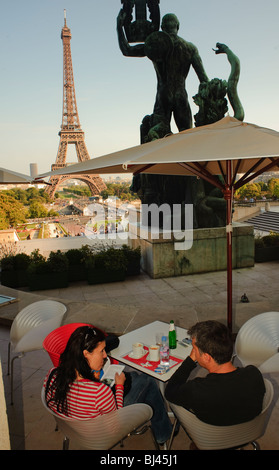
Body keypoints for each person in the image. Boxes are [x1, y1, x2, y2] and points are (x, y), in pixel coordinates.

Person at [44, 325, 172, 445]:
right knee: (147, 381)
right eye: (101, 351)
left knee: (135, 378)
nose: (105, 355)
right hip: (101, 435)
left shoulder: (52, 374)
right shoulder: (99, 391)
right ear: (85, 354)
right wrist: (119, 387)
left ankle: (162, 428)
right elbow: (116, 426)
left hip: (73, 430)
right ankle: (164, 434)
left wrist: (91, 379)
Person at [117, 11, 209, 134]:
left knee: (158, 138)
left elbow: (126, 50)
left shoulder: (156, 45)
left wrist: (119, 26)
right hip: (181, 96)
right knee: (187, 137)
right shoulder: (190, 48)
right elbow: (204, 80)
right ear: (178, 26)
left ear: (162, 28)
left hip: (163, 96)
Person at [165, 320, 266, 426]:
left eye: (194, 349)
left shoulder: (197, 389)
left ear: (206, 357)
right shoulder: (254, 374)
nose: (193, 352)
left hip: (211, 437)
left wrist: (190, 361)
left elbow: (170, 392)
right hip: (248, 431)